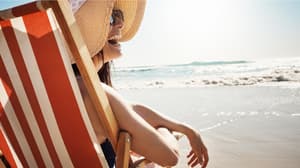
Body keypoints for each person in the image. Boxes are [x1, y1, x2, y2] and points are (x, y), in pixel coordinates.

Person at [70, 0, 209, 167]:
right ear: (82, 33)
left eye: (118, 16)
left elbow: (132, 109)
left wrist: (186, 129)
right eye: (111, 18)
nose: (121, 24)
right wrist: (165, 131)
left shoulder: (63, 88)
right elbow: (169, 157)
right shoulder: (93, 92)